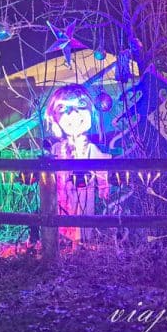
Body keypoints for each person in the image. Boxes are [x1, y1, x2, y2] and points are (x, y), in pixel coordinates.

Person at [44, 84, 111, 247]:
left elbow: (101, 167)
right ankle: (64, 243)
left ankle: (82, 244)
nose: (73, 113)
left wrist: (103, 186)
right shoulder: (56, 149)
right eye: (62, 107)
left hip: (85, 192)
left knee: (83, 220)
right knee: (63, 220)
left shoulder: (91, 149)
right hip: (62, 194)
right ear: (53, 118)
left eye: (80, 105)